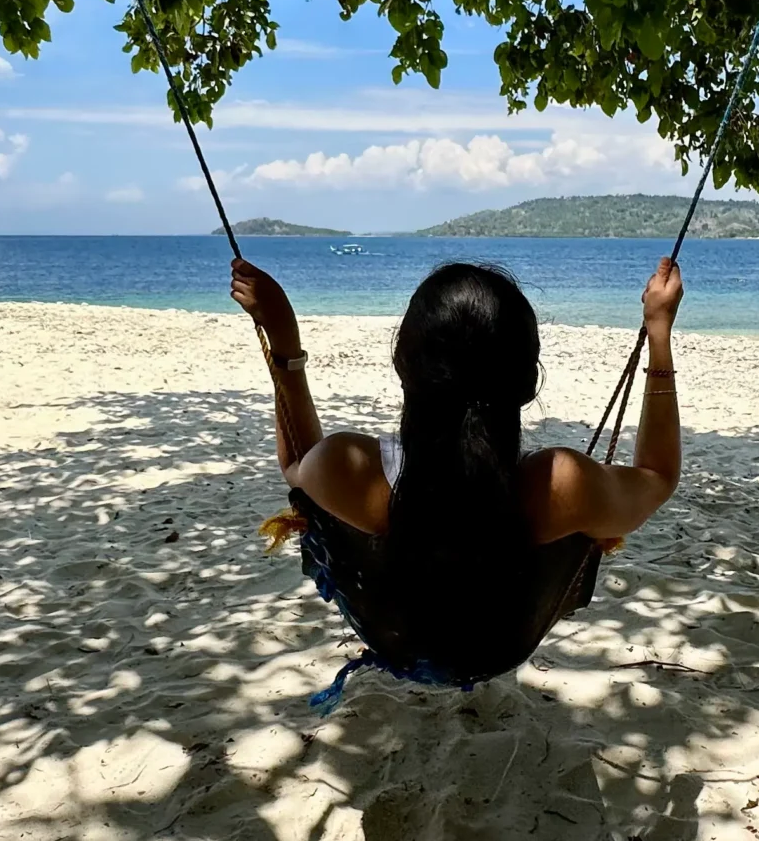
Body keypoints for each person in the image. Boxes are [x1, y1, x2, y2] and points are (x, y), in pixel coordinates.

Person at [230, 255, 685, 695]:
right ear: (528, 382)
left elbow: (296, 467)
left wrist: (283, 340)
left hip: (398, 641)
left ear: (401, 364)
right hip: (500, 647)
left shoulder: (345, 469)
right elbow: (656, 476)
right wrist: (659, 331)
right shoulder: (561, 487)